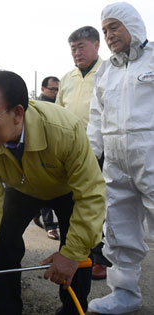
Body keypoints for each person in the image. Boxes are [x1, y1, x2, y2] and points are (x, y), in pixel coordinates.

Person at [0, 68, 106, 315]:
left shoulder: (64, 130)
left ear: (17, 113)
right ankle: (9, 309)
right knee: (1, 240)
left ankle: (72, 308)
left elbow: (91, 195)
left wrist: (71, 253)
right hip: (23, 187)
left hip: (67, 189)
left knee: (78, 251)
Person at [86, 3, 154, 314]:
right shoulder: (106, 71)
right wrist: (89, 157)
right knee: (118, 227)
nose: (110, 35)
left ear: (133, 26)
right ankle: (125, 293)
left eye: (115, 27)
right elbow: (95, 118)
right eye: (105, 30)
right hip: (116, 162)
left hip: (150, 155)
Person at [56, 25, 109, 281]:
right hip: (72, 151)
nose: (77, 52)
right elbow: (58, 114)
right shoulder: (67, 78)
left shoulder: (108, 72)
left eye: (82, 46)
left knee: (99, 205)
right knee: (76, 203)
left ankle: (100, 259)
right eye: (73, 48)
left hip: (103, 149)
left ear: (97, 45)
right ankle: (79, 252)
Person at [33, 76, 60, 241]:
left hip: (58, 152)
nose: (56, 93)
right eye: (52, 89)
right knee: (45, 191)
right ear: (43, 89)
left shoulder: (61, 104)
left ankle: (35, 213)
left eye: (58, 89)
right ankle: (50, 226)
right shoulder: (36, 106)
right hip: (41, 152)